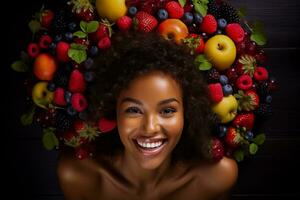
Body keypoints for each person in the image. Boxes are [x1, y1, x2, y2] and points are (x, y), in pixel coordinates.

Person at [57, 32, 238, 200]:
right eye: (134, 110)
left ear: (187, 113)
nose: (150, 128)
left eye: (167, 111)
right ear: (114, 112)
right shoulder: (78, 177)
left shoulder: (218, 178)